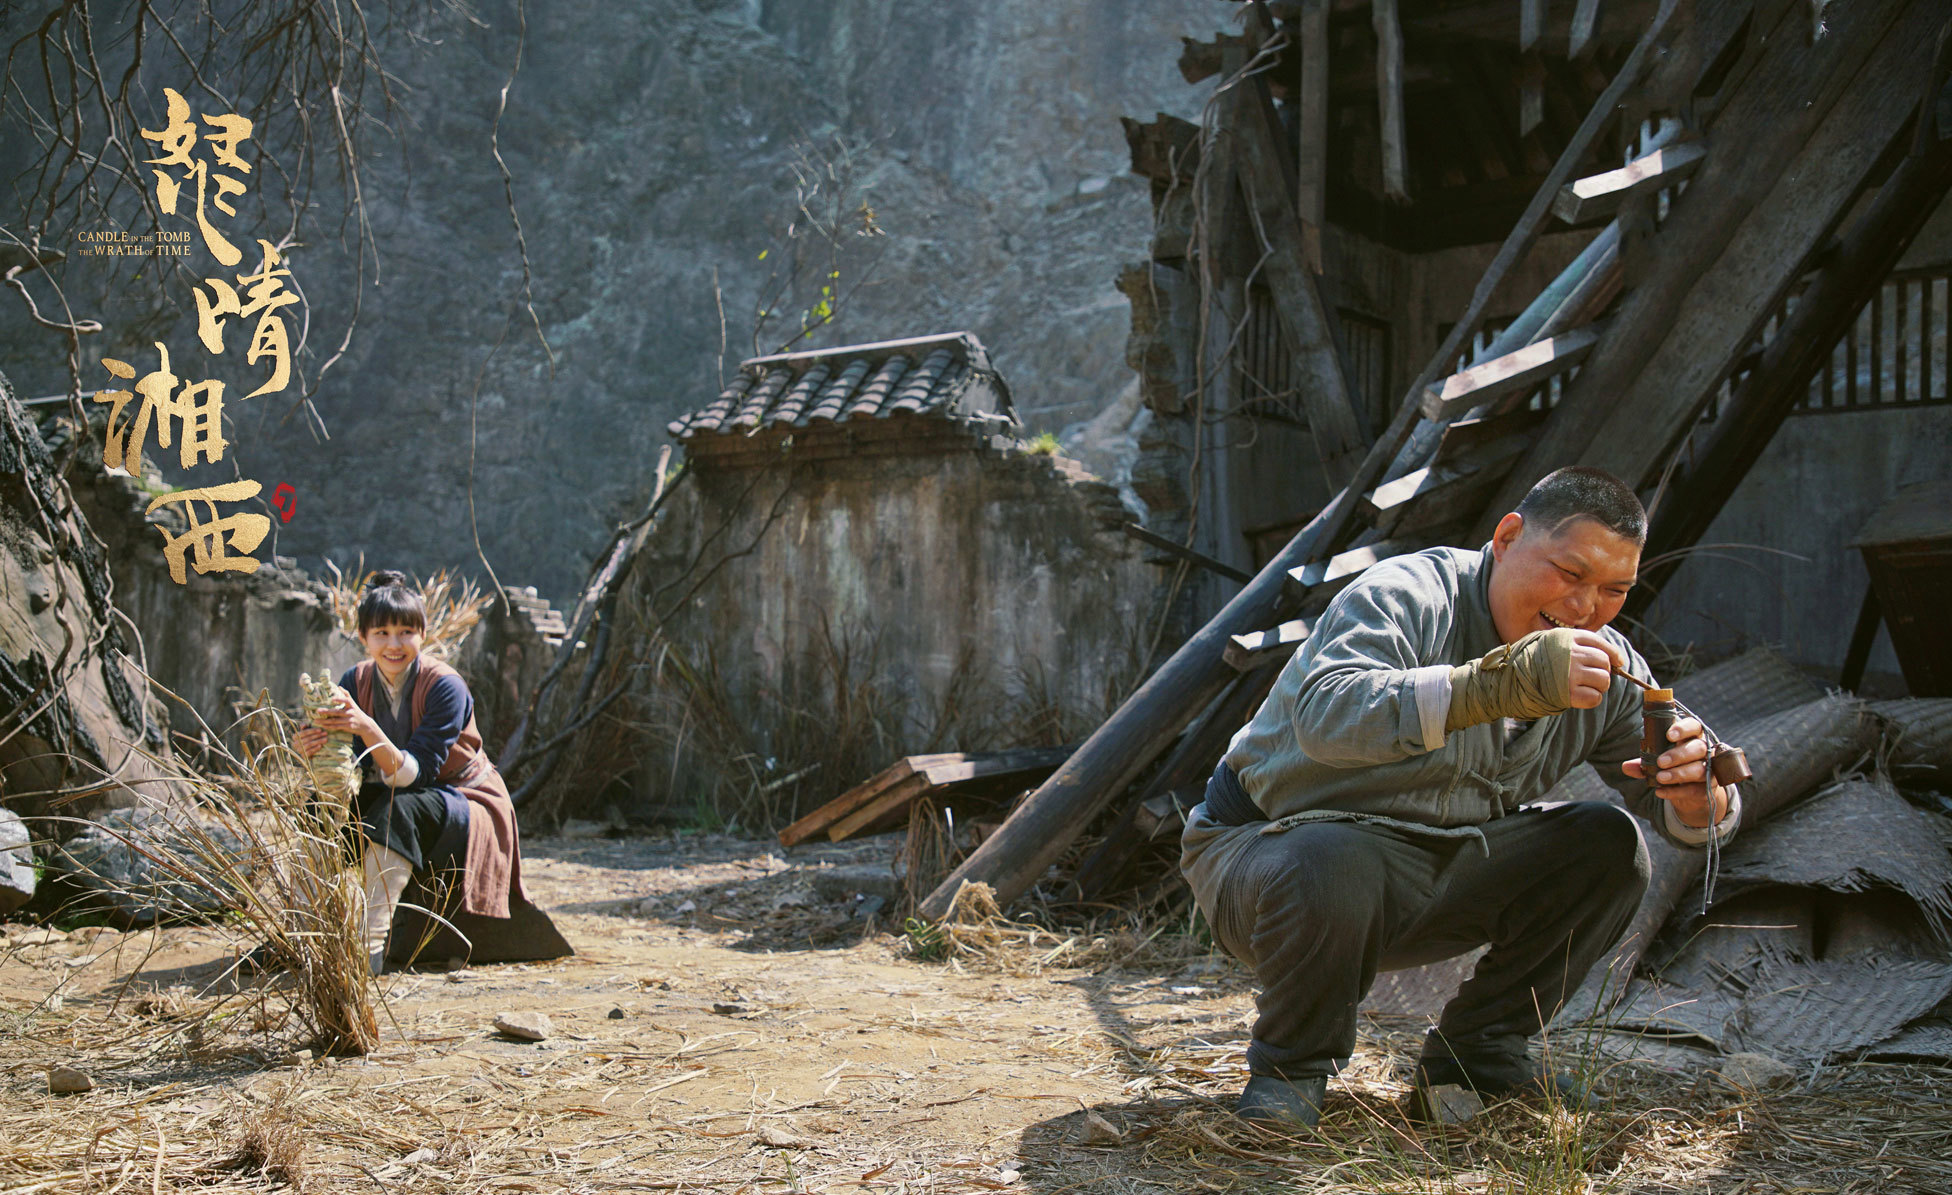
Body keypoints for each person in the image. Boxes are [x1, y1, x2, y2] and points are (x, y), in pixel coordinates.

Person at [1180, 467, 1740, 1128]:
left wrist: (1704, 803)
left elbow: (1691, 796)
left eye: (1615, 588)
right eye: (1569, 572)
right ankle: (1289, 1071)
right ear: (1506, 538)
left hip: (1430, 872)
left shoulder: (1608, 665)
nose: (1588, 607)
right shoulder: (1408, 593)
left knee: (1611, 845)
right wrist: (1496, 685)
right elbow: (1326, 714)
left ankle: (1480, 1052)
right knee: (1333, 856)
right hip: (1270, 862)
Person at [283, 570, 526, 974]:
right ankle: (305, 937)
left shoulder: (446, 686)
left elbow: (417, 775)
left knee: (396, 812)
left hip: (462, 799)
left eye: (405, 632)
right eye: (381, 633)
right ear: (363, 638)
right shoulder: (354, 681)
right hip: (400, 792)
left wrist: (365, 725)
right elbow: (352, 767)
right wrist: (312, 750)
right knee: (316, 809)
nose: (394, 645)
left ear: (423, 634)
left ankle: (369, 948)